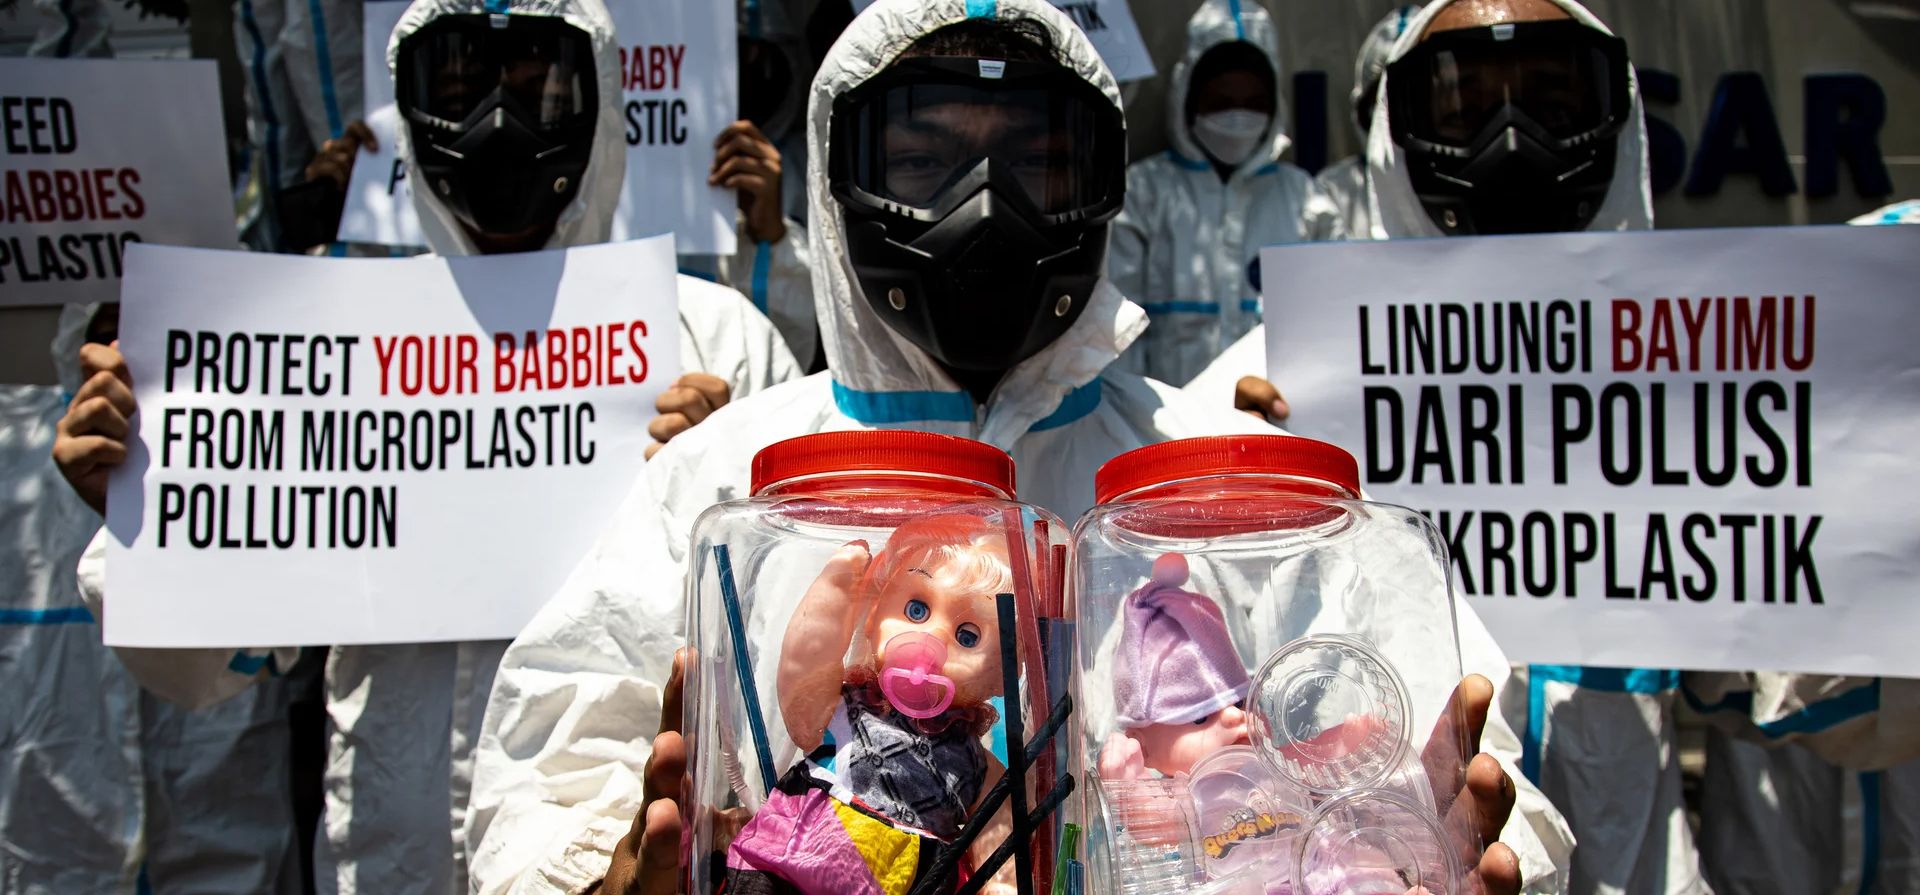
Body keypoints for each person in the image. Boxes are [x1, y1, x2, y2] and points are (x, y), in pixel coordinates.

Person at [463, 2, 1572, 893]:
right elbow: (554, 754)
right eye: (923, 160)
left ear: (1103, 187)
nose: (985, 208)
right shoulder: (734, 477)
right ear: (840, 178)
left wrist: (1412, 848)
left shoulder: (1215, 477)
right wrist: (597, 874)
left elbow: (1444, 762)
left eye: (1036, 166)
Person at [50, 0, 801, 890]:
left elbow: (797, 650)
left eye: (537, 89)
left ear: (598, 99)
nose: (497, 122)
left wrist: (712, 485)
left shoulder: (713, 338)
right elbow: (218, 663)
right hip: (385, 852)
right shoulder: (327, 339)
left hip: (614, 859)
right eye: (459, 90)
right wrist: (151, 510)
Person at [5, 306, 302, 894]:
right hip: (46, 856)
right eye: (107, 334)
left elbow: (264, 654)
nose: (125, 357)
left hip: (220, 856)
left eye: (154, 332)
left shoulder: (267, 455)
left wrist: (151, 532)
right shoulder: (16, 456)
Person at [1105, 0, 1341, 389]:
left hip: (1275, 416)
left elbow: (1331, 324)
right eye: (1221, 103)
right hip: (1166, 422)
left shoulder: (1306, 199)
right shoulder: (1143, 194)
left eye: (1253, 103)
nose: (1237, 116)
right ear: (1189, 98)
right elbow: (1119, 339)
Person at [1312, 4, 1421, 241]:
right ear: (1365, 109)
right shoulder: (1334, 190)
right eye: (1385, 99)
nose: (1398, 113)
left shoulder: (1460, 182)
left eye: (1413, 97)